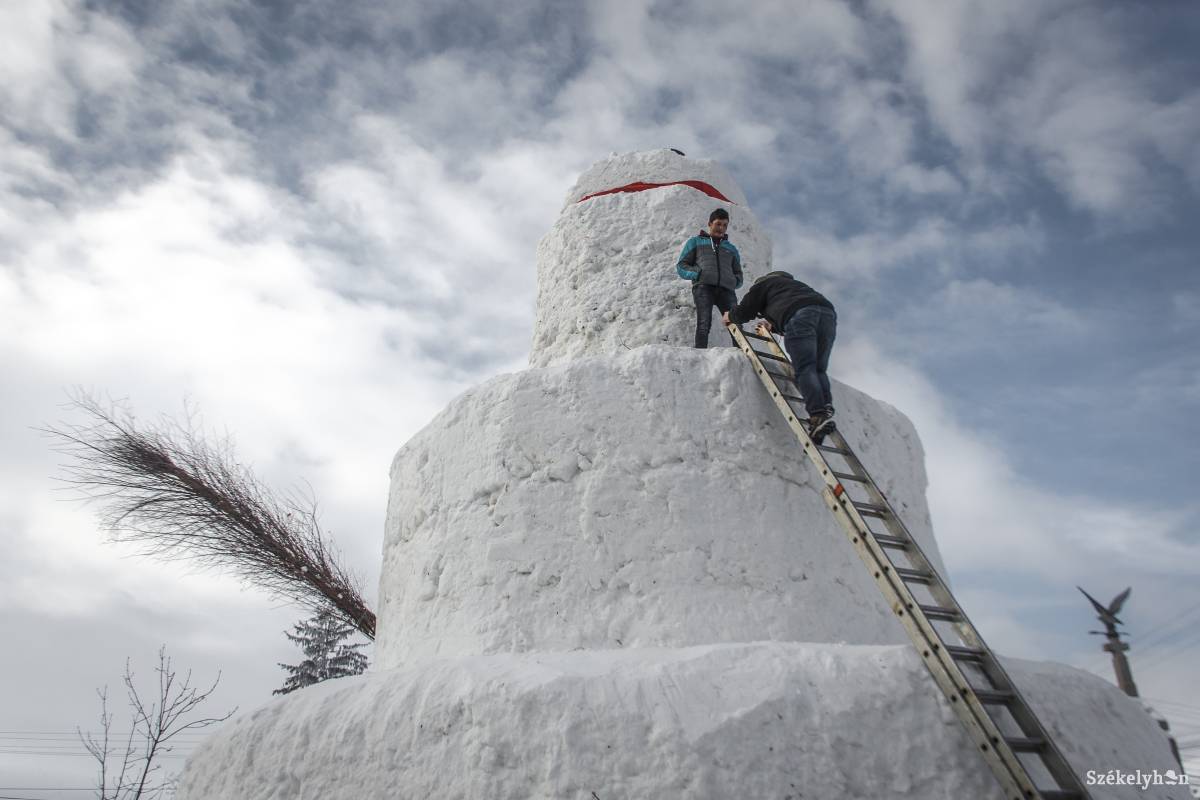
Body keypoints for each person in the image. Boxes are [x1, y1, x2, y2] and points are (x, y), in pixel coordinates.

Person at [722, 271, 837, 439]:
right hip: (827, 315)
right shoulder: (797, 287)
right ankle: (825, 408)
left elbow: (745, 310)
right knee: (819, 369)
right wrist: (773, 327)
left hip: (799, 316)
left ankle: (817, 413)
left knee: (805, 367)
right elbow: (795, 312)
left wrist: (730, 315)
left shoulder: (764, 285)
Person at [676, 208, 743, 348]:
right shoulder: (695, 242)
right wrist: (697, 274)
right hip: (703, 287)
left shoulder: (731, 248)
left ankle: (741, 357)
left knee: (736, 323)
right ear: (710, 223)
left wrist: (733, 281)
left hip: (726, 290)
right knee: (704, 322)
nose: (721, 228)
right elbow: (682, 265)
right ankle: (700, 353)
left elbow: (738, 273)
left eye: (725, 225)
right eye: (718, 224)